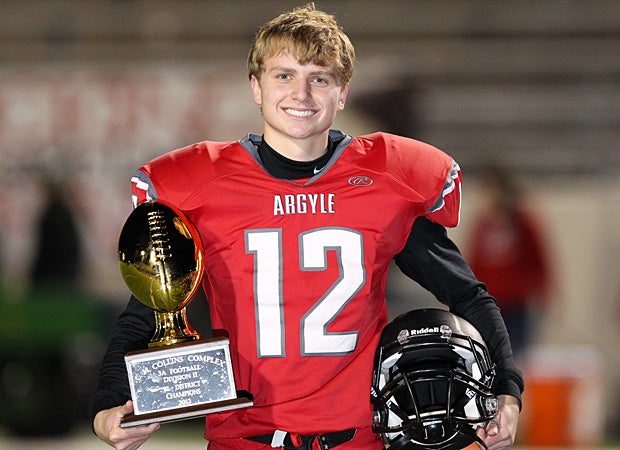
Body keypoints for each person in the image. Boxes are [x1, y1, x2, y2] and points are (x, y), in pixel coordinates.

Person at [89, 4, 523, 450]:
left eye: (320, 78)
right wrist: (108, 404)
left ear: (342, 93)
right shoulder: (203, 189)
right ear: (255, 87)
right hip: (245, 439)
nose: (302, 93)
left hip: (357, 439)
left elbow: (467, 294)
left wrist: (508, 390)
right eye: (284, 76)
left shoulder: (385, 182)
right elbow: (146, 313)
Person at [467, 166, 550, 358]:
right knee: (488, 356)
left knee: (517, 357)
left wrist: (543, 293)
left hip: (516, 305)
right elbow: (471, 265)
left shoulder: (523, 224)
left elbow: (539, 261)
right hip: (488, 304)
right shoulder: (483, 225)